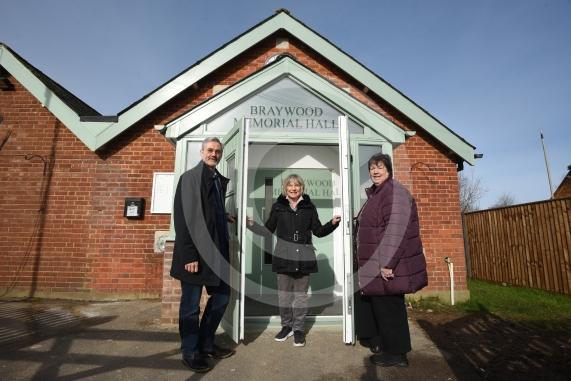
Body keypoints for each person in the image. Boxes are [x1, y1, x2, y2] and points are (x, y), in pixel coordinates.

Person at [247, 174, 340, 347]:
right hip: (283, 257)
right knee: (284, 296)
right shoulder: (278, 207)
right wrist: (250, 224)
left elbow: (318, 231)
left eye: (297, 185)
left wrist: (332, 223)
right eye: (290, 185)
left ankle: (298, 330)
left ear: (301, 188)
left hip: (304, 257)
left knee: (300, 297)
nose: (293, 188)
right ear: (285, 188)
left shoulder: (309, 207)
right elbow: (267, 231)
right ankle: (286, 326)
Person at [354, 153, 428, 367]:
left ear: (388, 169)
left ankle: (397, 355)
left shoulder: (393, 193)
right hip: (375, 264)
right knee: (382, 307)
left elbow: (396, 231)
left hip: (386, 265)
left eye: (379, 167)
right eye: (371, 168)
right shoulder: (379, 194)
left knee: (390, 309)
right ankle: (386, 346)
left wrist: (388, 263)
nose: (375, 171)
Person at [170, 137, 236, 373]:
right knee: (190, 306)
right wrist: (189, 256)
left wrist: (224, 216)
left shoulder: (216, 179)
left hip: (215, 253)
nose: (214, 154)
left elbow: (208, 212)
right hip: (194, 255)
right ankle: (190, 351)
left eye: (218, 151)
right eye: (210, 150)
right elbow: (184, 218)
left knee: (221, 298)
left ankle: (206, 343)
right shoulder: (190, 178)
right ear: (201, 152)